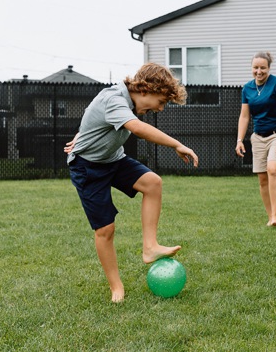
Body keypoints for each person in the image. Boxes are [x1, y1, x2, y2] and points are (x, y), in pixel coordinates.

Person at [64, 62, 198, 302]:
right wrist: (177, 144)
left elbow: (94, 115)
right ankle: (116, 287)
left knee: (152, 183)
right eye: (161, 102)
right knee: (105, 229)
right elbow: (136, 128)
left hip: (113, 160)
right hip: (88, 167)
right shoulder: (116, 98)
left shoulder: (125, 101)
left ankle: (150, 247)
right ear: (146, 89)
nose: (160, 109)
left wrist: (81, 135)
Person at [235, 52, 276, 227]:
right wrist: (239, 140)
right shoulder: (247, 89)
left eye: (263, 68)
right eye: (255, 67)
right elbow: (244, 117)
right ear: (251, 68)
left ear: (268, 68)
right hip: (258, 137)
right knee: (262, 178)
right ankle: (270, 217)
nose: (259, 71)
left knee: (273, 169)